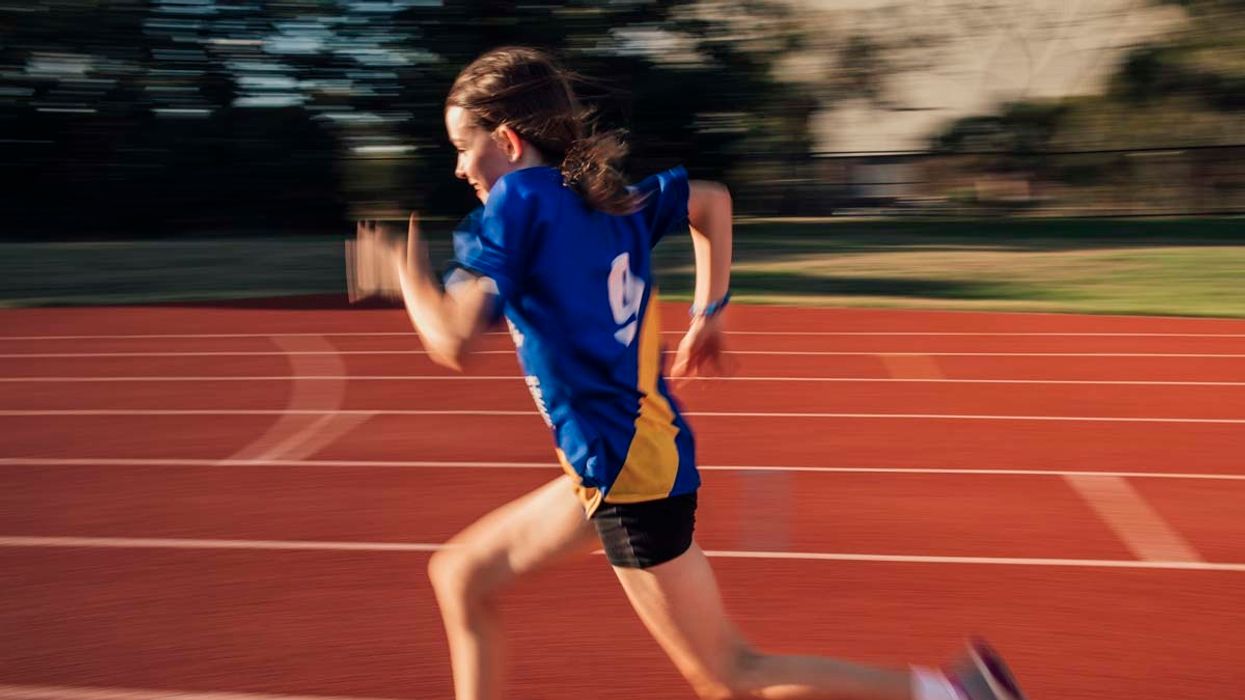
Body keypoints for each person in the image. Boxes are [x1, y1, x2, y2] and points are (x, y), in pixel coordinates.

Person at [353, 46, 1026, 700]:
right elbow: (709, 200)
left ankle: (952, 693)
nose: (458, 167)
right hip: (617, 463)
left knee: (730, 675)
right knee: (461, 575)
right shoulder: (599, 197)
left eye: (462, 146)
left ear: (504, 138)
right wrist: (712, 309)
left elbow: (451, 340)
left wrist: (404, 274)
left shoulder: (517, 204)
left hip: (626, 477)